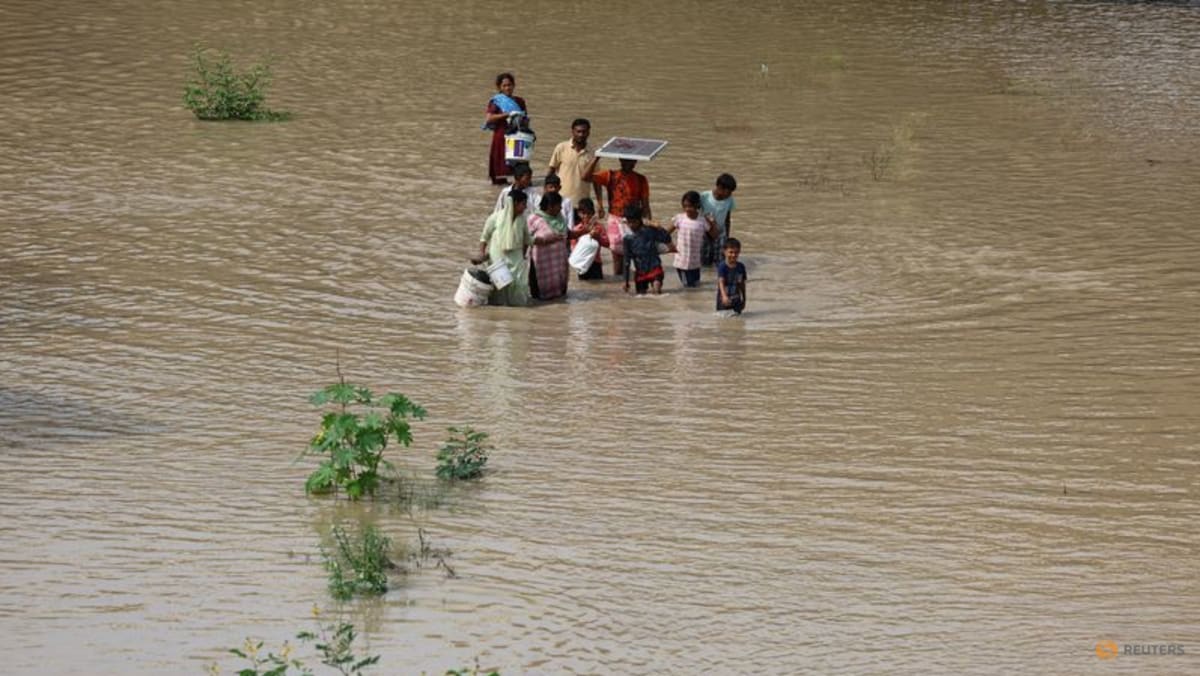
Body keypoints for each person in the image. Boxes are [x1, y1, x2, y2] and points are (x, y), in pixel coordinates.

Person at [585, 157, 651, 276]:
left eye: (631, 161)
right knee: (617, 255)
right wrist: (596, 158)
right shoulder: (611, 175)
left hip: (634, 221)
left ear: (635, 162)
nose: (628, 164)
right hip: (615, 219)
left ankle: (635, 282)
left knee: (636, 255)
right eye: (625, 161)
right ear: (620, 160)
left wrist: (649, 225)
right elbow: (585, 177)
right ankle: (619, 284)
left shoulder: (641, 179)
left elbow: (645, 205)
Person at [472, 189, 532, 306]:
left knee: (519, 285)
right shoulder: (495, 218)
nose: (525, 207)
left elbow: (526, 240)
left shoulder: (522, 220)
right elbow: (484, 238)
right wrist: (482, 253)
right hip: (498, 259)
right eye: (523, 204)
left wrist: (524, 256)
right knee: (498, 289)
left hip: (516, 260)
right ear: (515, 203)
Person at [482, 73, 529, 185]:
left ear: (514, 86)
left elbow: (525, 118)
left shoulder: (520, 101)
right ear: (499, 87)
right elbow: (489, 119)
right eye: (504, 86)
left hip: (518, 137)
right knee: (499, 175)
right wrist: (507, 114)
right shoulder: (496, 101)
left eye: (510, 85)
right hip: (501, 137)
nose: (508, 88)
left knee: (521, 171)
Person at [526, 191, 570, 301]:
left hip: (559, 265)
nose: (561, 208)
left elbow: (567, 234)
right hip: (540, 265)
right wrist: (547, 240)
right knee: (538, 299)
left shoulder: (560, 218)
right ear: (550, 206)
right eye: (558, 205)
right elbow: (525, 239)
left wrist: (583, 231)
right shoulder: (533, 219)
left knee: (560, 298)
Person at [666, 191, 714, 288]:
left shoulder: (702, 220)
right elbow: (665, 234)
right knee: (687, 286)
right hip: (681, 261)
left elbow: (714, 235)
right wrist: (669, 245)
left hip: (695, 261)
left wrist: (712, 223)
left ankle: (694, 302)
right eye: (685, 206)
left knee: (696, 285)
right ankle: (685, 303)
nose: (687, 209)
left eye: (690, 206)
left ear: (697, 205)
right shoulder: (679, 218)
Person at [621, 205, 671, 296]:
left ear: (640, 220)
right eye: (629, 222)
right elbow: (626, 261)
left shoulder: (650, 231)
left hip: (655, 268)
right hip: (640, 273)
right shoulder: (627, 239)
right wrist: (626, 281)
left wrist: (659, 227)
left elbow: (667, 238)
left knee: (657, 290)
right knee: (641, 297)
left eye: (634, 222)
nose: (631, 225)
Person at [547, 118, 596, 206]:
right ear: (572, 131)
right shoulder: (561, 147)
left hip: (582, 203)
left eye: (584, 132)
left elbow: (596, 179)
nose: (581, 135)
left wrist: (599, 204)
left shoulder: (592, 153)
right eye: (578, 131)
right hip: (561, 201)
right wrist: (547, 195)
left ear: (589, 133)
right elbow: (551, 171)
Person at [699, 173, 737, 266]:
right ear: (720, 187)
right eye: (729, 192)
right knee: (704, 260)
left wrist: (727, 237)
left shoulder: (730, 200)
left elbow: (727, 219)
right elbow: (695, 214)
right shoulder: (704, 197)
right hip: (704, 233)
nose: (730, 194)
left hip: (720, 233)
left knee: (720, 260)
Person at [569, 197, 608, 280]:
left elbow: (607, 243)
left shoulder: (599, 227)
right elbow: (573, 248)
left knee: (598, 286)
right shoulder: (577, 229)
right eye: (583, 213)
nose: (586, 216)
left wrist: (598, 238)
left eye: (589, 213)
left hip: (596, 263)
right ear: (579, 213)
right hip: (582, 263)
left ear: (593, 213)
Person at [716, 237, 747, 314]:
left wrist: (744, 299)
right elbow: (721, 282)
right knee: (722, 322)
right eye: (731, 252)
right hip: (723, 300)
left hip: (736, 300)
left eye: (736, 252)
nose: (733, 255)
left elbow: (742, 284)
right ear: (724, 252)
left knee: (738, 323)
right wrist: (724, 296)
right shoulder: (722, 266)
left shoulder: (741, 267)